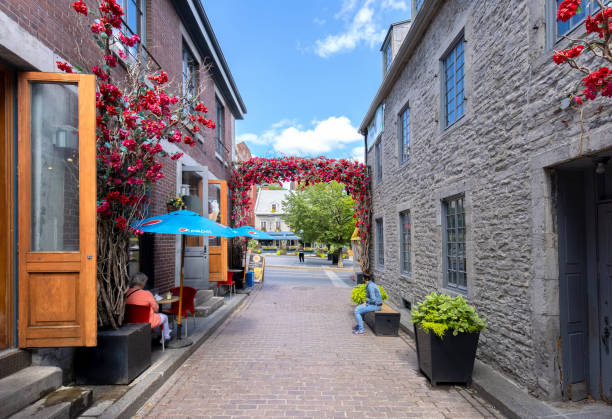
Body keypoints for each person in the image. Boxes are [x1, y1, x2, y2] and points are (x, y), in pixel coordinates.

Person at [126, 272, 171, 343]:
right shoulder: (147, 293)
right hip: (146, 322)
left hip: (130, 321)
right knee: (164, 317)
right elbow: (156, 309)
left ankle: (157, 334)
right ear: (143, 282)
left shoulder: (127, 293)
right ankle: (166, 338)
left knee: (156, 317)